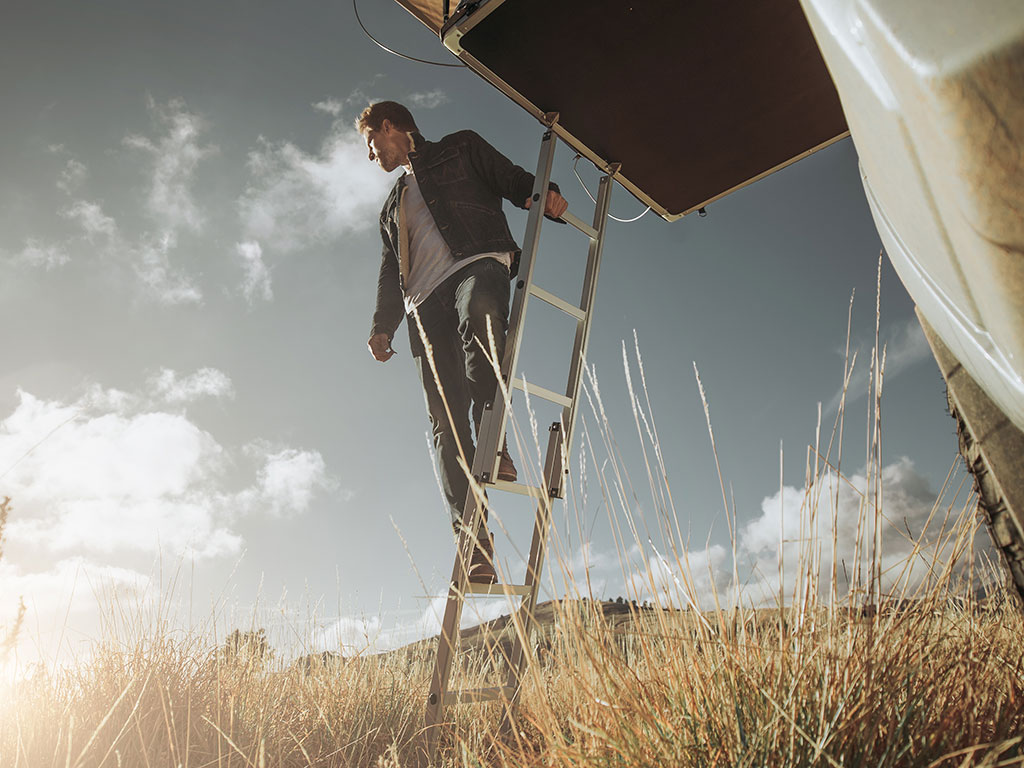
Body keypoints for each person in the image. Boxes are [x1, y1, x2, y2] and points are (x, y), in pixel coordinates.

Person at [358, 101, 568, 583]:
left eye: (372, 146)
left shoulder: (461, 146)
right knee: (443, 424)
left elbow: (512, 180)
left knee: (481, 315)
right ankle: (475, 547)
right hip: (423, 304)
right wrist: (382, 324)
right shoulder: (391, 207)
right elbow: (390, 270)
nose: (372, 157)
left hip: (477, 264)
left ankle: (493, 442)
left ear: (388, 127)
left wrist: (545, 196)